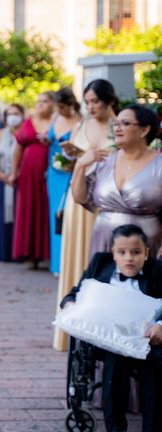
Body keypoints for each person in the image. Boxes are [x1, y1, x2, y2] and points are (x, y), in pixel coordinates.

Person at [60, 224, 162, 432]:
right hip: (111, 340)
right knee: (115, 364)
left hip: (147, 340)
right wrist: (74, 306)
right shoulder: (100, 264)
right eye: (122, 252)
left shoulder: (157, 270)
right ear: (113, 253)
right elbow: (73, 294)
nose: (129, 258)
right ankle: (115, 427)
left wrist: (160, 325)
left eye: (135, 252)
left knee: (154, 371)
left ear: (146, 253)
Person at [53, 79, 117, 351]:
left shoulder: (120, 126)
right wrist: (74, 158)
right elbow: (71, 166)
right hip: (78, 203)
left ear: (109, 100)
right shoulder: (80, 125)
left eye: (96, 102)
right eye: (87, 102)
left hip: (105, 202)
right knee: (75, 258)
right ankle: (71, 331)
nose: (91, 107)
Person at [71, 104, 162, 256]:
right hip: (104, 239)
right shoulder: (105, 160)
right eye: (116, 124)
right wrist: (80, 166)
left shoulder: (159, 164)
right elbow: (79, 197)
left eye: (125, 123)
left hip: (145, 244)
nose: (117, 128)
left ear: (144, 130)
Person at [10, 92, 53, 268]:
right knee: (28, 210)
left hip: (49, 173)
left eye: (44, 101)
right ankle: (29, 255)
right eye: (38, 102)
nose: (40, 105)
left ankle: (47, 254)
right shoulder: (29, 121)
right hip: (28, 175)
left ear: (53, 104)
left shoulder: (57, 122)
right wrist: (14, 172)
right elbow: (17, 148)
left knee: (46, 211)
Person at [46, 87, 81, 276]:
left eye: (61, 107)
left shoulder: (80, 121)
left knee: (68, 215)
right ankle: (57, 264)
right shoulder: (55, 119)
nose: (59, 111)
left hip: (71, 172)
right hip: (53, 174)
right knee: (55, 217)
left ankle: (69, 262)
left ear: (70, 105)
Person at [0, 104, 24, 261]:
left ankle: (18, 252)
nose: (13, 116)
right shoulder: (0, 134)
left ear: (22, 115)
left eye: (16, 113)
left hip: (19, 181)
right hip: (2, 180)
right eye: (10, 113)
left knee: (18, 216)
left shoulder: (25, 134)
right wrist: (1, 175)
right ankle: (2, 251)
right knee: (1, 215)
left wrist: (15, 175)